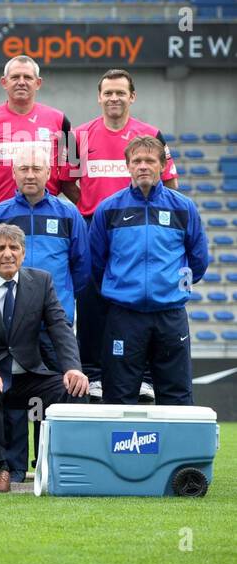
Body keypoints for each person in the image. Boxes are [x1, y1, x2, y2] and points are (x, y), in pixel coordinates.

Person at [0, 224, 89, 493]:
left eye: (14, 248)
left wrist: (73, 368)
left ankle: (63, 466)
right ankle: (0, 469)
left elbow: (60, 327)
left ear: (23, 253)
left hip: (30, 375)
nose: (7, 254)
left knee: (74, 389)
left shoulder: (41, 282)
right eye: (0, 248)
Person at [72, 69, 178, 396]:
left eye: (121, 92)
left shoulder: (149, 134)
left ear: (132, 97)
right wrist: (92, 207)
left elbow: (171, 181)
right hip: (94, 227)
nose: (114, 98)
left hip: (137, 228)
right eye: (108, 93)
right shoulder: (79, 135)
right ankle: (91, 374)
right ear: (99, 97)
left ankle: (144, 377)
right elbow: (64, 182)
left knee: (137, 300)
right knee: (90, 300)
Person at [0, 151, 89, 478]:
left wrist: (57, 299)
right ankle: (13, 468)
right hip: (12, 325)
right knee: (14, 392)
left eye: (37, 168)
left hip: (54, 322)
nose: (30, 174)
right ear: (13, 174)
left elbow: (82, 267)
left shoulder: (68, 214)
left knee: (55, 394)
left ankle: (46, 464)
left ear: (49, 173)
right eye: (23, 168)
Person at [89, 136, 208, 406]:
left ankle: (177, 450)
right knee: (119, 396)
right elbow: (96, 264)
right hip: (124, 316)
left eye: (150, 161)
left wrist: (170, 287)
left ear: (162, 166)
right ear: (128, 166)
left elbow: (198, 261)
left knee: (176, 396)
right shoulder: (108, 209)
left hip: (170, 316)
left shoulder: (183, 208)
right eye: (137, 161)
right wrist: (122, 287)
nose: (143, 166)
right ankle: (122, 449)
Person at [0, 55, 78, 206]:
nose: (21, 82)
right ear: (4, 82)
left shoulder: (59, 120)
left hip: (47, 212)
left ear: (38, 83)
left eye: (28, 77)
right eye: (15, 77)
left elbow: (71, 172)